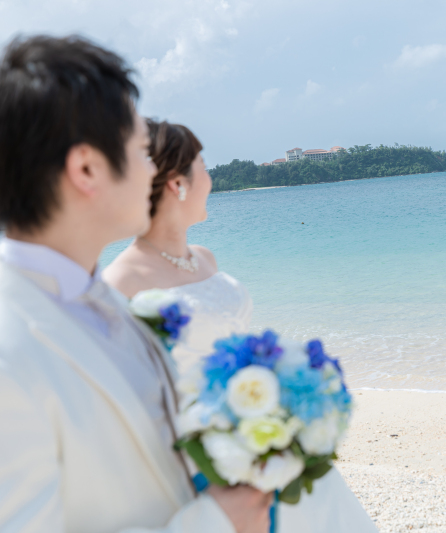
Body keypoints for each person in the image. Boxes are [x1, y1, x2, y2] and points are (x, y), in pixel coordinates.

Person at [0, 35, 272, 533]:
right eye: (140, 151)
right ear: (86, 168)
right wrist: (213, 523)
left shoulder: (98, 298)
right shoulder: (9, 348)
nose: (151, 171)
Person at [104, 119, 378, 533]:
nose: (210, 180)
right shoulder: (122, 281)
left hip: (257, 425)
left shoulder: (206, 258)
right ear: (178, 184)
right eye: (204, 169)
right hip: (204, 449)